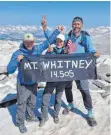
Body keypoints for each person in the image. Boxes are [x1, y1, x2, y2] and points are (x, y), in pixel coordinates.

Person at [41, 15, 100, 127]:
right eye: (74, 23)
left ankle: (90, 113)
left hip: (81, 68)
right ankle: (70, 104)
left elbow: (91, 50)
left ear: (81, 25)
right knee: (67, 87)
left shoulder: (85, 37)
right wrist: (44, 27)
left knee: (84, 89)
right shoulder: (68, 37)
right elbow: (53, 38)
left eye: (78, 24)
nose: (76, 25)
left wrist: (94, 55)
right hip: (68, 67)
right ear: (72, 25)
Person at [7, 26, 63, 133]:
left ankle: (30, 116)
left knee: (32, 102)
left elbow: (48, 42)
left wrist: (57, 31)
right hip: (23, 84)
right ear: (23, 42)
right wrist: (17, 61)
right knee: (21, 103)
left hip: (33, 82)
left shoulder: (37, 49)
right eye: (27, 42)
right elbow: (10, 70)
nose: (29, 44)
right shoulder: (17, 53)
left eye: (31, 42)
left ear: (34, 42)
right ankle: (20, 122)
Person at [39, 34, 67, 127]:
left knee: (58, 99)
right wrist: (48, 52)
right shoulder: (51, 51)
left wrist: (68, 53)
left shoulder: (66, 51)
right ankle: (44, 117)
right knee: (45, 98)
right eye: (58, 41)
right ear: (56, 41)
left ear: (63, 43)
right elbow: (45, 61)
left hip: (61, 81)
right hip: (51, 79)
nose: (59, 43)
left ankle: (56, 115)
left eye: (61, 41)